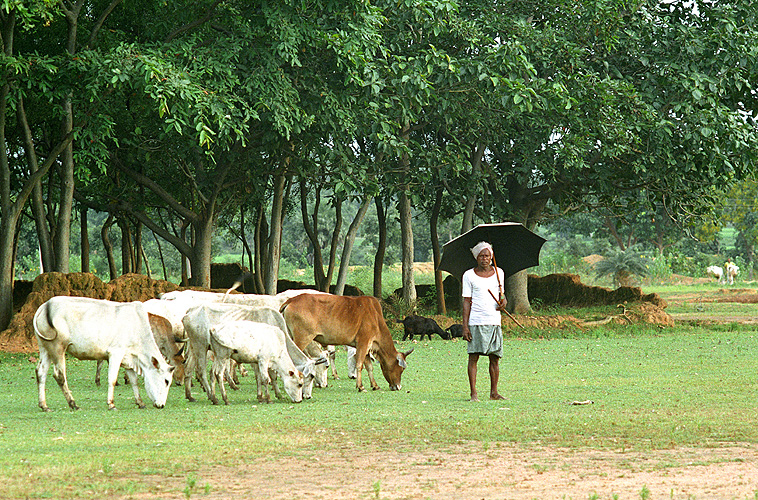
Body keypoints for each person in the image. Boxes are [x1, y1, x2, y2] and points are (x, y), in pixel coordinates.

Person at [461, 241, 506, 401]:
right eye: (481, 256)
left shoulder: (499, 273)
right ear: (476, 257)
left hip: (494, 321)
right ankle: (473, 393)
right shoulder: (468, 275)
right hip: (476, 321)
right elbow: (466, 301)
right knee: (473, 357)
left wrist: (503, 303)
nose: (484, 259)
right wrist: (465, 326)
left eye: (487, 256)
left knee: (495, 358)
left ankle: (494, 393)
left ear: (491, 256)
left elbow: (503, 297)